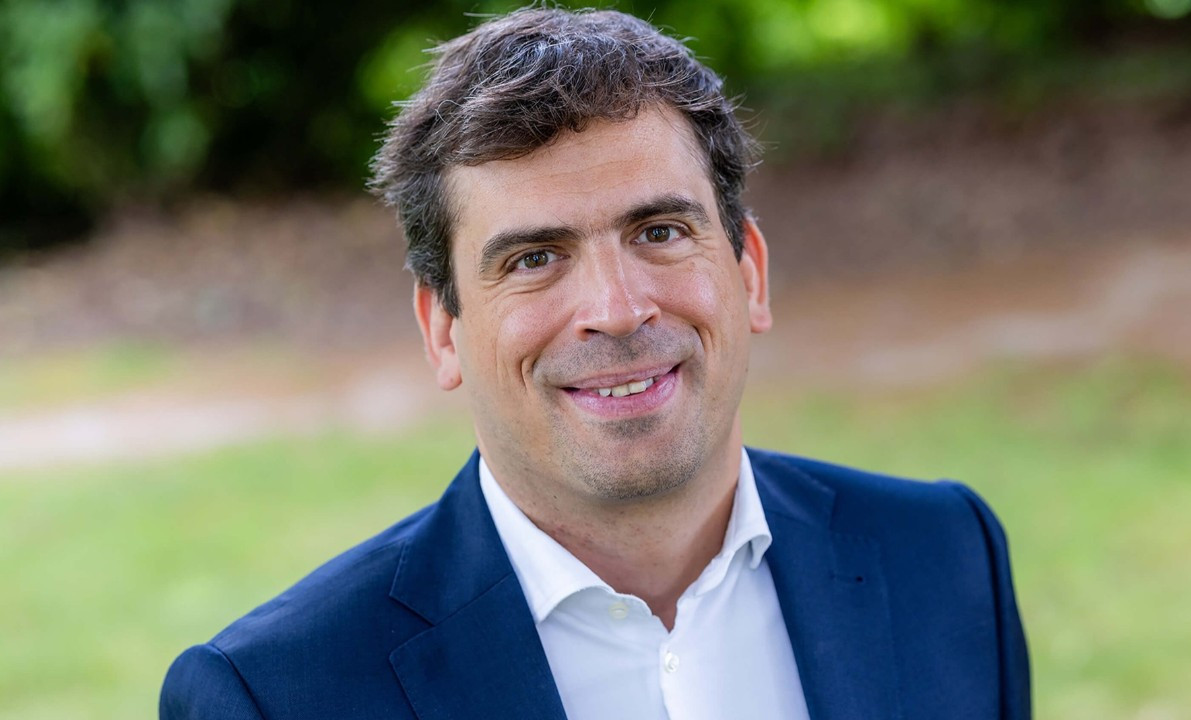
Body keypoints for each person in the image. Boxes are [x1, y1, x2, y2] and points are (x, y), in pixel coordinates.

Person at [160, 8, 1030, 719]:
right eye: (534, 258)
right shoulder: (275, 697)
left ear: (750, 275)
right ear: (443, 330)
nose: (617, 309)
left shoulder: (946, 558)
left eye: (660, 232)